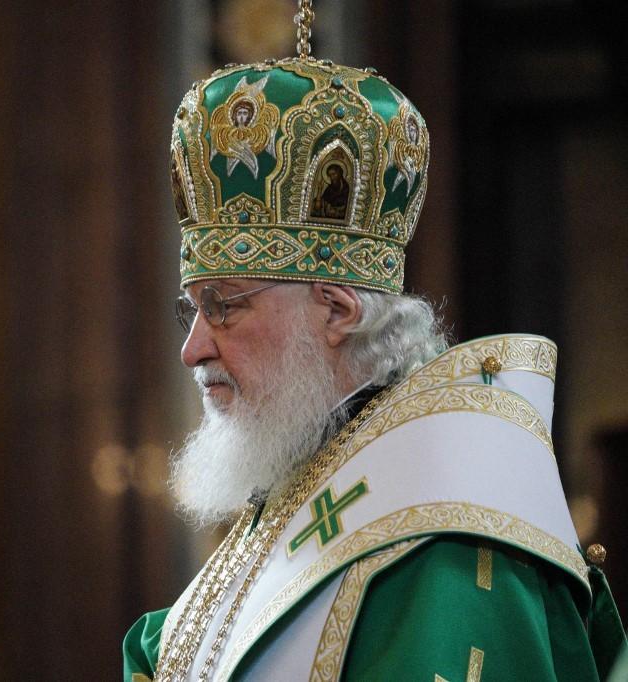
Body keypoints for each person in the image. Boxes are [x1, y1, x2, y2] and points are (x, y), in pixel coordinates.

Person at [124, 26, 626, 682]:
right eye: (192, 310)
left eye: (224, 306)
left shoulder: (451, 544)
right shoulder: (294, 494)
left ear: (337, 311)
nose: (192, 350)